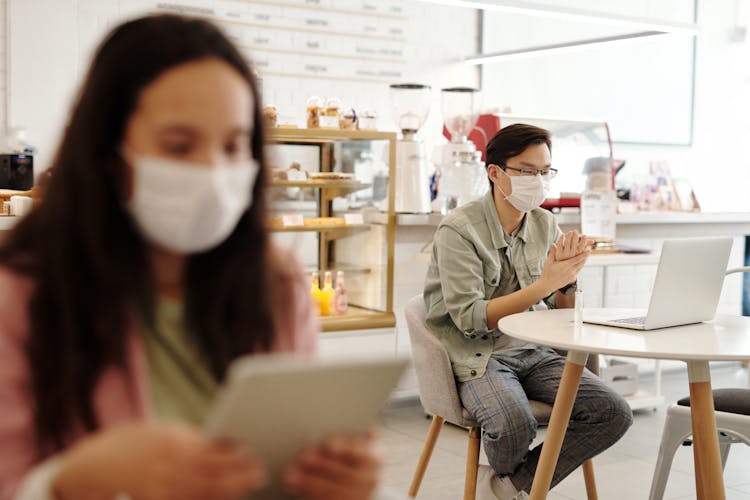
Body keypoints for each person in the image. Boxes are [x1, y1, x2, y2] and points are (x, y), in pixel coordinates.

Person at [0, 14, 385, 500]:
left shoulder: (275, 282)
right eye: (179, 146)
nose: (212, 171)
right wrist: (78, 478)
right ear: (106, 149)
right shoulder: (21, 294)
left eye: (232, 145)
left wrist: (336, 480)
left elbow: (290, 454)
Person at [423, 124, 633, 500]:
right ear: (495, 173)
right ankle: (518, 488)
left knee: (613, 411)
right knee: (512, 421)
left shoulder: (544, 223)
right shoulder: (458, 229)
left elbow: (558, 310)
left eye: (544, 171)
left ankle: (509, 487)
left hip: (536, 352)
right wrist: (543, 285)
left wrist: (567, 279)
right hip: (480, 354)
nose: (538, 181)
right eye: (526, 171)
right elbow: (470, 318)